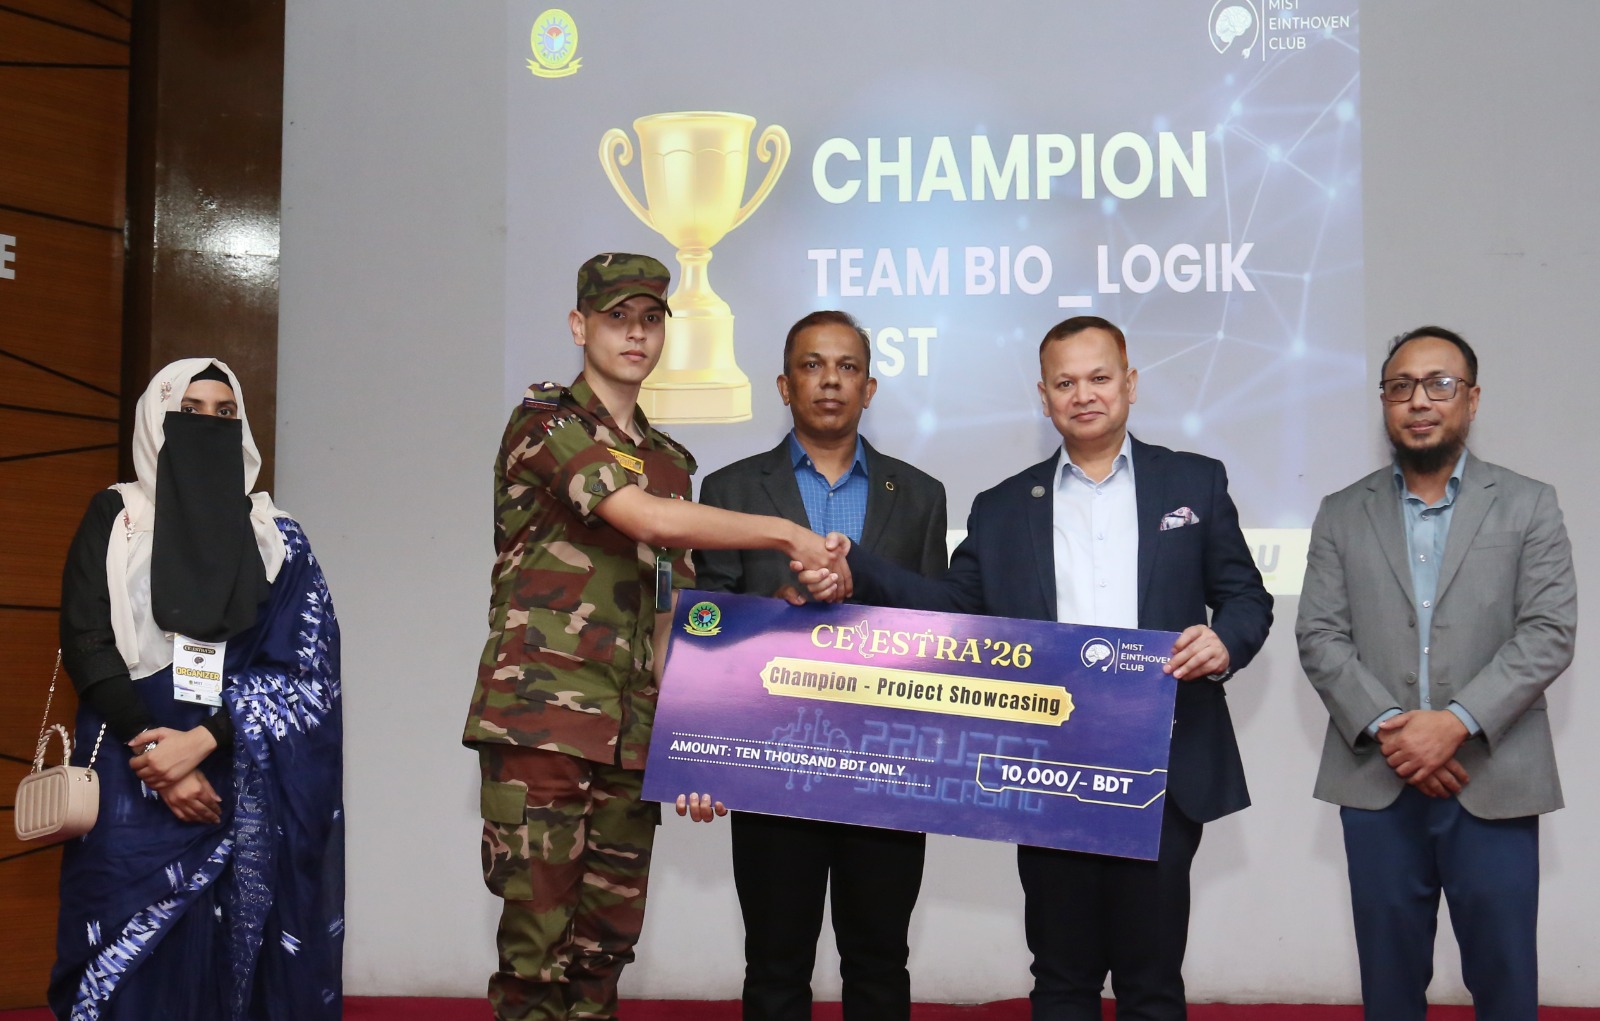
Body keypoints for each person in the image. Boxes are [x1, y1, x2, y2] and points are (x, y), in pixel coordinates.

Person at [802, 316, 1272, 1021]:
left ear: (1130, 384)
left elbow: (1246, 596)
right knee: (1061, 978)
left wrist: (1225, 641)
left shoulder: (1194, 482)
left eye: (1099, 378)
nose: (1083, 395)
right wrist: (858, 567)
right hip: (1049, 768)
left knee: (1151, 980)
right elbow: (952, 608)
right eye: (1065, 382)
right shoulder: (1001, 509)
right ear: (1044, 396)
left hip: (1163, 766)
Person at [461, 253, 849, 1021]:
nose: (635, 334)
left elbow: (673, 611)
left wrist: (695, 743)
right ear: (580, 326)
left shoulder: (670, 462)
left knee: (603, 952)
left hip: (632, 737)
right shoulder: (547, 423)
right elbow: (640, 516)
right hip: (543, 722)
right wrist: (788, 533)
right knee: (537, 955)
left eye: (649, 319)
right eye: (616, 319)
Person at [49, 358, 344, 1020]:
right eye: (190, 410)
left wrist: (202, 742)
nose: (208, 423)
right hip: (126, 769)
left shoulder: (277, 538)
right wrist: (157, 754)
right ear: (156, 421)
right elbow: (86, 641)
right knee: (121, 955)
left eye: (224, 412)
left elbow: (306, 670)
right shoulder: (117, 515)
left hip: (236, 772)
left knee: (228, 952)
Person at [1296, 326, 1576, 1021]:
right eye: (1401, 387)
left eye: (1439, 384)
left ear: (1471, 399)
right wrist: (1396, 731)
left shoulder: (1528, 503)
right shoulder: (1341, 511)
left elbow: (1548, 632)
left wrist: (1453, 724)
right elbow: (1319, 634)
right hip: (1377, 779)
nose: (1419, 400)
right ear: (1384, 403)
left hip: (1495, 776)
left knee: (1506, 986)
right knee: (1389, 990)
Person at [694, 310, 948, 1021]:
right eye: (811, 365)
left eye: (846, 366)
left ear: (870, 388)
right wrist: (771, 619)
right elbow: (706, 619)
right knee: (776, 964)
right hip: (771, 756)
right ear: (784, 385)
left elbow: (938, 620)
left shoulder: (920, 494)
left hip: (887, 759)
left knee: (879, 961)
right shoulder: (730, 489)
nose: (829, 380)